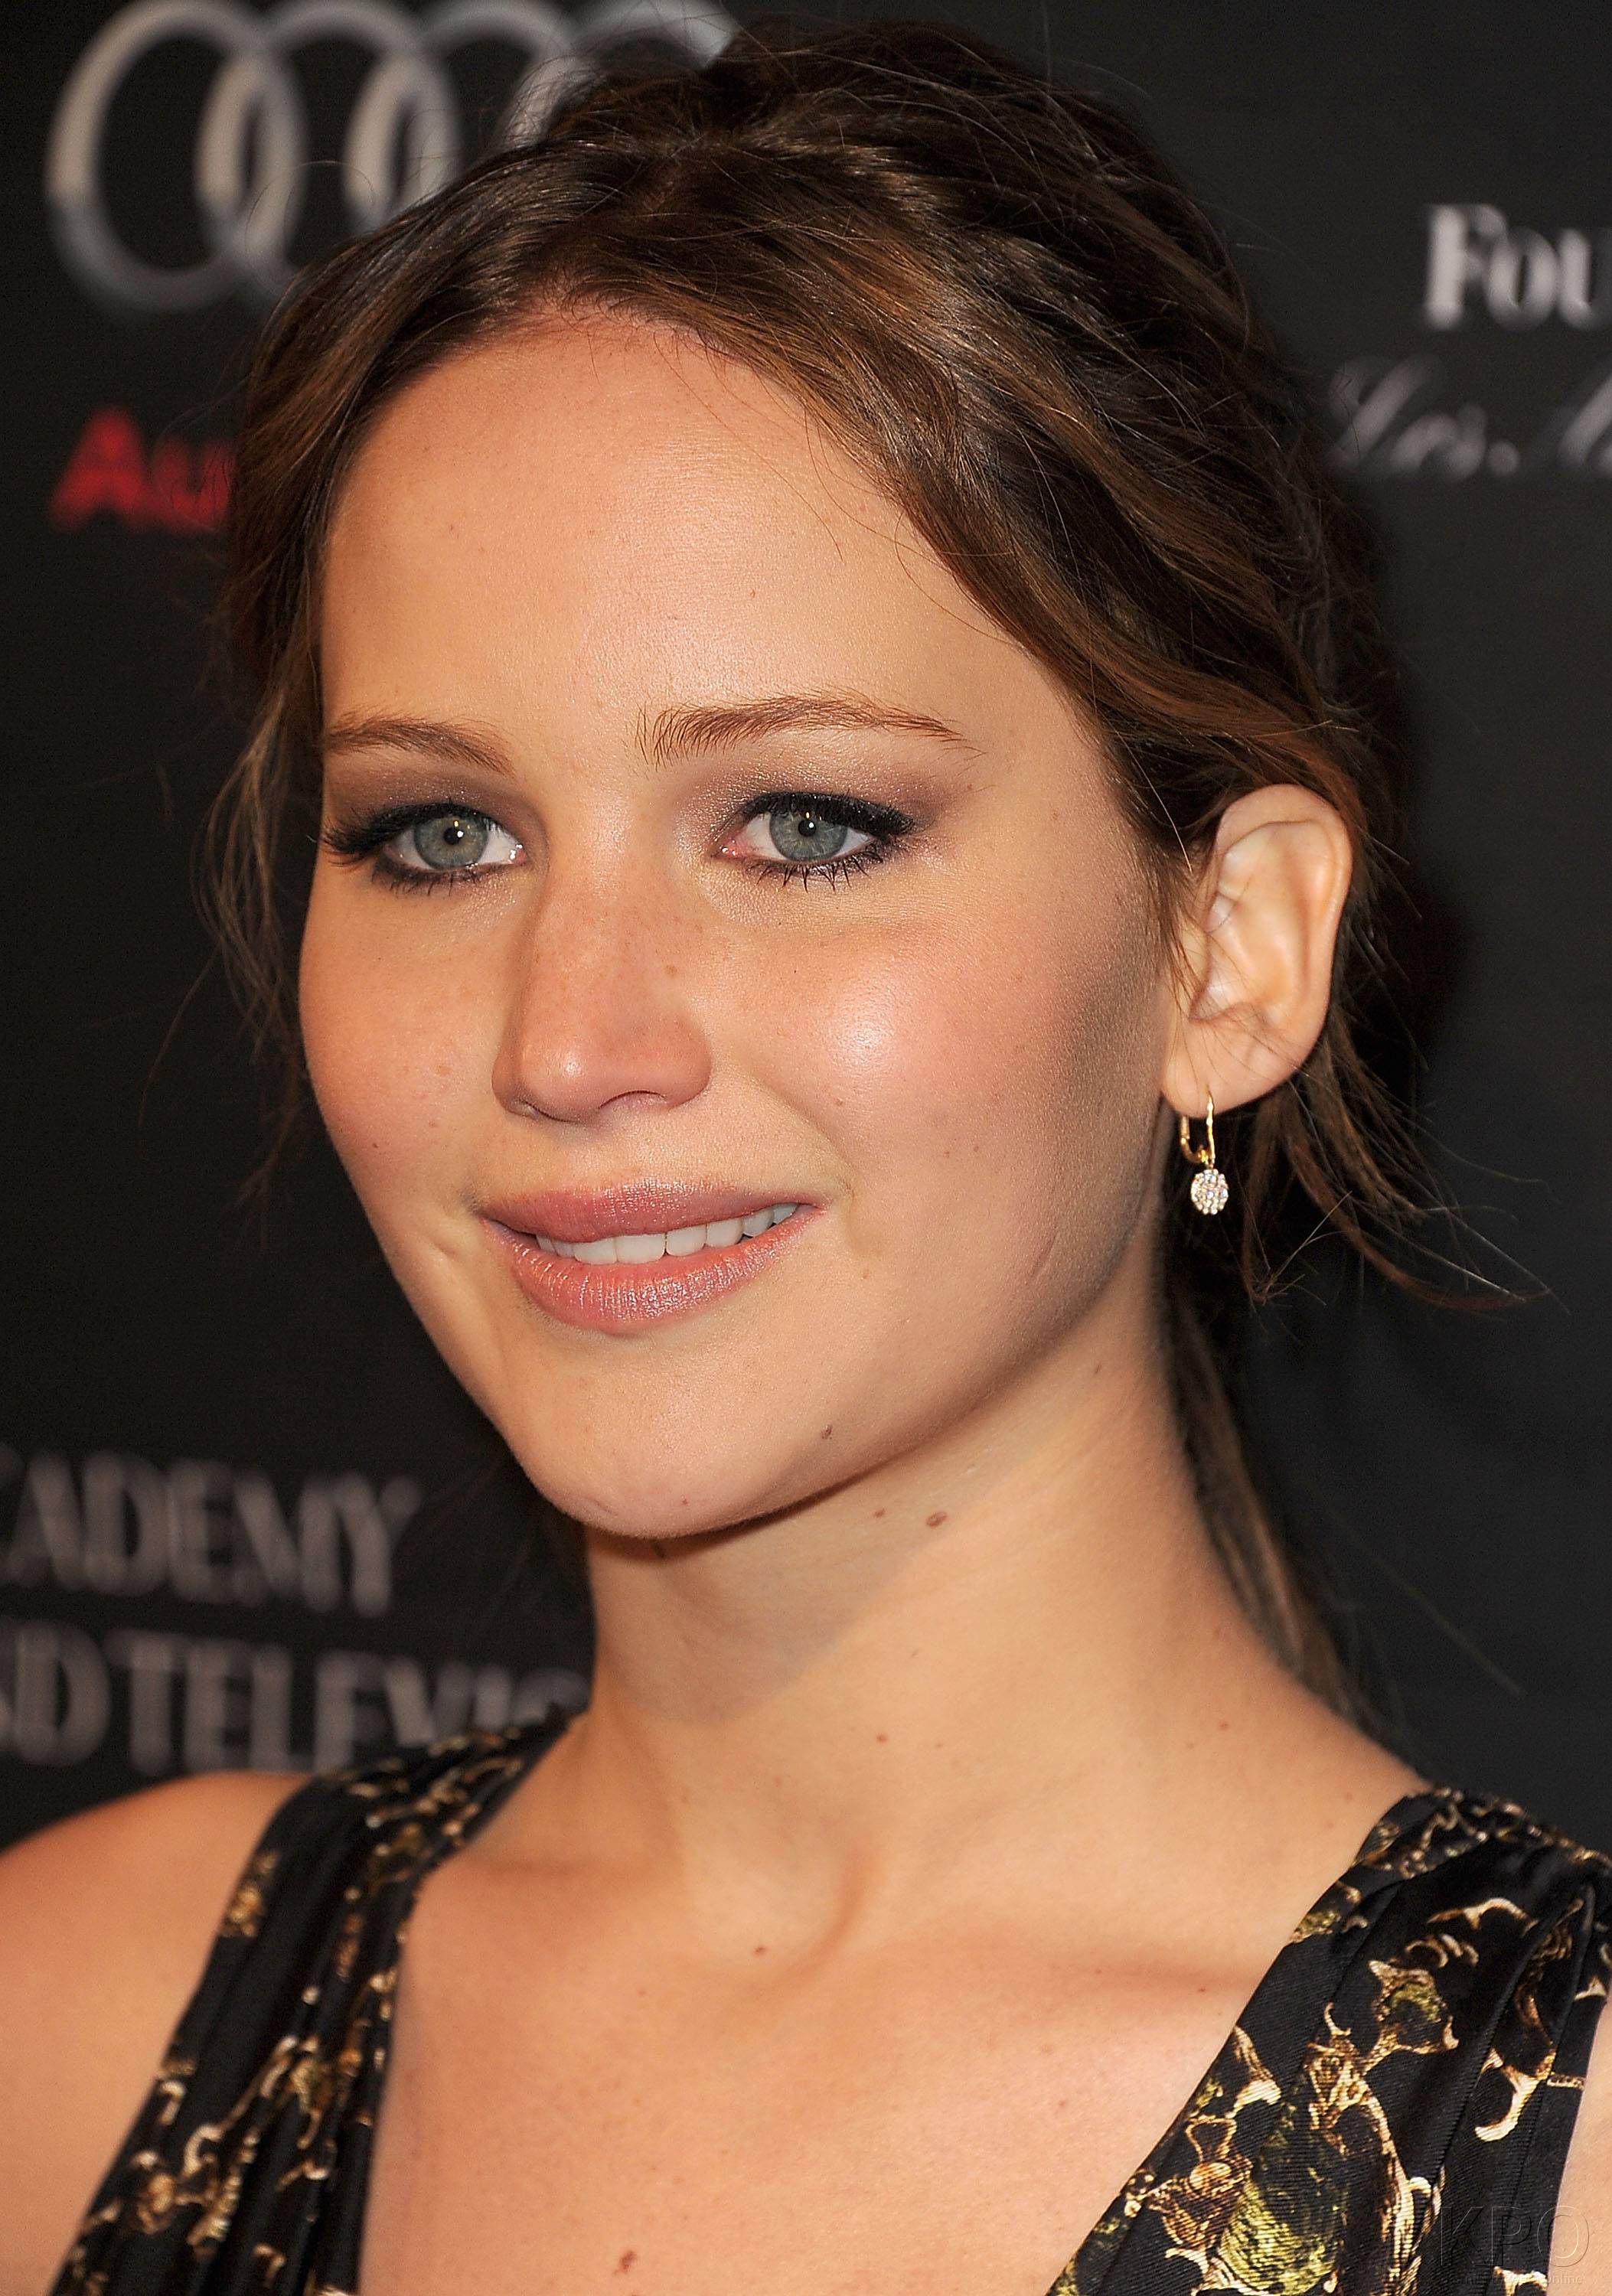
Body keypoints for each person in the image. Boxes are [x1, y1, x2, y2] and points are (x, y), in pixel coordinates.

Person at [2, 20, 1608, 2294]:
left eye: (805, 826)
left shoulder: (1564, 2167)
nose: (570, 1042)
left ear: (1228, 951)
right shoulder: (70, 2034)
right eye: (439, 834)